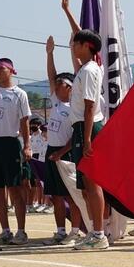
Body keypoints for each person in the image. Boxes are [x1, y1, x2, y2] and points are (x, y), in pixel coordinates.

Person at [60, 0, 109, 250]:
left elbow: (90, 106)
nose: (73, 46)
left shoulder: (89, 70)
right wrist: (68, 12)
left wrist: (88, 137)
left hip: (87, 128)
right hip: (82, 128)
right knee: (87, 186)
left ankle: (99, 234)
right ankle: (95, 231)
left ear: (87, 46)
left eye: (76, 44)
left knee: (92, 182)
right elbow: (81, 33)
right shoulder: (87, 65)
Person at [0, 22, 33, 246]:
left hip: (11, 144)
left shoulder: (20, 94)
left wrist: (27, 145)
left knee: (15, 190)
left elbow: (25, 121)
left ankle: (21, 231)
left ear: (11, 71)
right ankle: (5, 231)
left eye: (1, 68)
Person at [44, 35, 84, 245]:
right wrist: (49, 53)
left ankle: (75, 231)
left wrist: (61, 153)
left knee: (71, 194)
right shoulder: (56, 102)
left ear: (69, 87)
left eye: (61, 84)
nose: (56, 86)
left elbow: (76, 135)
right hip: (52, 150)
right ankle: (60, 231)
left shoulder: (74, 107)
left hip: (66, 153)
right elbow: (51, 76)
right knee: (56, 196)